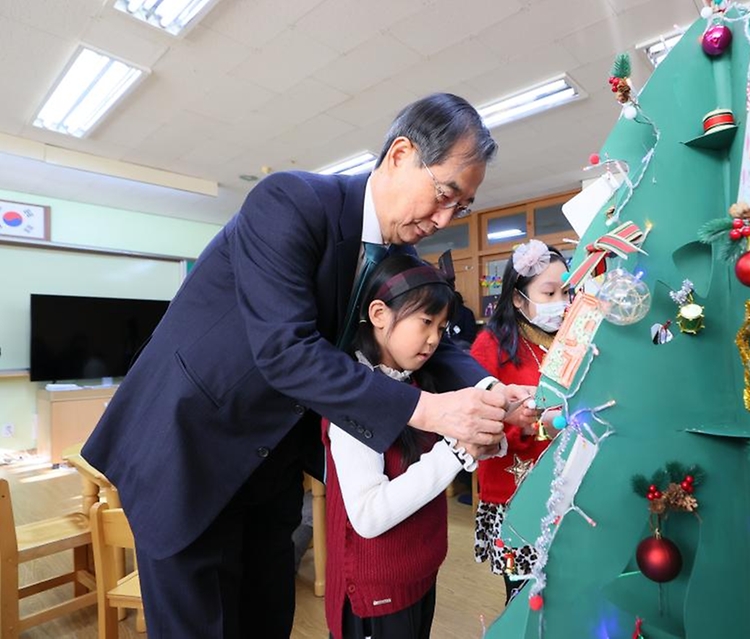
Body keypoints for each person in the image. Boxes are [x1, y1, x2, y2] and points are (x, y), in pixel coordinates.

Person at [81, 93, 536, 639]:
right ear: (399, 155)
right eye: (444, 194)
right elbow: (285, 350)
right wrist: (433, 412)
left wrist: (494, 393)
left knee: (265, 620)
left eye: (460, 209)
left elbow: (440, 346)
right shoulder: (291, 202)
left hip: (267, 467)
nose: (444, 219)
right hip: (188, 452)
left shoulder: (399, 261)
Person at [325, 253, 489, 639]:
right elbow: (368, 515)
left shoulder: (415, 379)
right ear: (379, 313)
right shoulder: (355, 399)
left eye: (442, 326)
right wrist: (455, 451)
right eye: (426, 322)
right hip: (375, 594)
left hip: (418, 575)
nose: (434, 339)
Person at [470, 239, 569, 604]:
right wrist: (521, 422)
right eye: (549, 292)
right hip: (517, 492)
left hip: (570, 486)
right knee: (526, 597)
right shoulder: (490, 345)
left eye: (566, 290)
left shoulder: (571, 341)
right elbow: (478, 419)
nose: (562, 301)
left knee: (568, 587)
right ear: (517, 298)